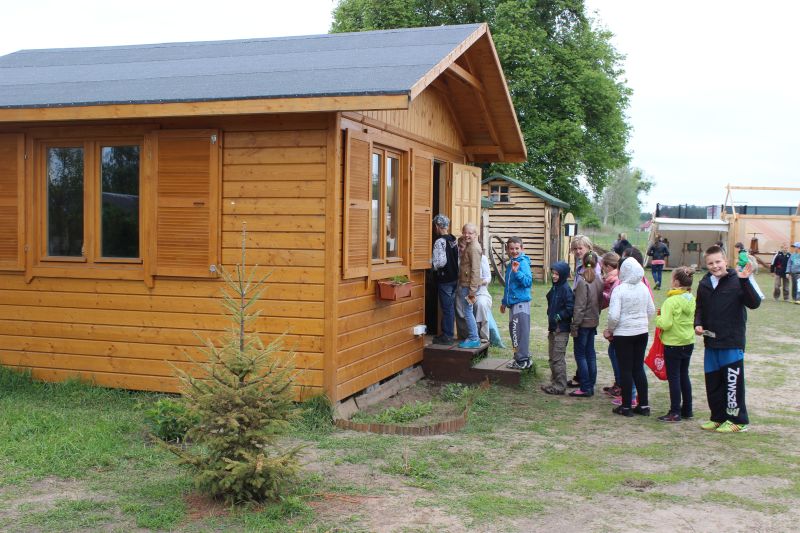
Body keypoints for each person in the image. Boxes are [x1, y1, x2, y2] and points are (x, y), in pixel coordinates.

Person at [694, 245, 761, 432]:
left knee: (732, 383)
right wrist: (697, 324)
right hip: (711, 342)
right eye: (710, 263)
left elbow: (754, 303)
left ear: (725, 261)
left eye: (718, 262)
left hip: (731, 342)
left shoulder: (738, 280)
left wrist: (745, 281)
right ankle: (718, 417)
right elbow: (699, 308)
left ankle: (737, 421)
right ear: (706, 265)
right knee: (713, 382)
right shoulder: (705, 283)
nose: (715, 266)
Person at [604, 258, 655, 417]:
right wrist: (641, 322)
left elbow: (614, 315)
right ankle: (644, 405)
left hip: (624, 333)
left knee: (625, 369)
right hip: (642, 332)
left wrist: (610, 330)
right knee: (638, 368)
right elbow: (651, 310)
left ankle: (626, 406)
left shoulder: (620, 289)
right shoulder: (643, 288)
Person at [655, 267, 696, 422]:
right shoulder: (691, 298)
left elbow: (665, 323)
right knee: (684, 374)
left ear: (676, 282)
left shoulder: (670, 301)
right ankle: (688, 409)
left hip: (673, 343)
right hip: (688, 341)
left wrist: (658, 319)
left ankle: (675, 411)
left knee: (674, 377)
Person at [567, 235, 601, 387]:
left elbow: (583, 301)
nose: (577, 251)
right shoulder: (582, 266)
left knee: (581, 353)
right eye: (575, 249)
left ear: (589, 248)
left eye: (580, 248)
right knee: (589, 352)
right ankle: (587, 381)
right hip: (592, 317)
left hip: (584, 317)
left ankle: (586, 384)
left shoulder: (591, 271)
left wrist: (575, 323)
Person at [500, 236, 533, 369]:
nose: (514, 251)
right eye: (511, 249)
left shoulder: (522, 262)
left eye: (516, 248)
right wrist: (504, 302)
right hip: (513, 303)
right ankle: (519, 358)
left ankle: (522, 360)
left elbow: (528, 282)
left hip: (521, 303)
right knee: (514, 331)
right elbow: (508, 286)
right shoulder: (511, 263)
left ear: (522, 248)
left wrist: (517, 272)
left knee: (519, 332)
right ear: (507, 250)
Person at [541, 261, 573, 395]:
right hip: (553, 329)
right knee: (552, 357)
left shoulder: (566, 289)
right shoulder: (555, 287)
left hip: (561, 330)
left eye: (557, 274)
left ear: (563, 275)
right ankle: (554, 382)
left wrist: (559, 316)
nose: (554, 276)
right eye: (553, 273)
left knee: (558, 359)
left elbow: (571, 308)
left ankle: (560, 386)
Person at [430, 214, 459, 344]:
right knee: (450, 307)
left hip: (445, 279)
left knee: (447, 308)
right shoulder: (453, 239)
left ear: (437, 226)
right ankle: (448, 333)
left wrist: (431, 264)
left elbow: (440, 262)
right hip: (454, 278)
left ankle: (447, 336)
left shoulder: (439, 241)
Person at [600, 252, 622, 398]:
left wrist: (599, 292)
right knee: (613, 352)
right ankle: (618, 383)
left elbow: (613, 303)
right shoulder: (613, 280)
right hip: (620, 325)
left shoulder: (616, 282)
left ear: (608, 267)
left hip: (620, 326)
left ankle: (621, 385)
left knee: (615, 354)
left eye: (603, 268)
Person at [457, 223, 482, 349]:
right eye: (465, 232)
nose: (467, 235)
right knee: (467, 311)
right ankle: (473, 337)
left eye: (470, 233)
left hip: (469, 287)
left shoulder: (474, 248)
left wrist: (472, 290)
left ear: (476, 234)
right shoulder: (469, 246)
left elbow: (476, 270)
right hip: (466, 285)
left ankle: (474, 338)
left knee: (467, 312)